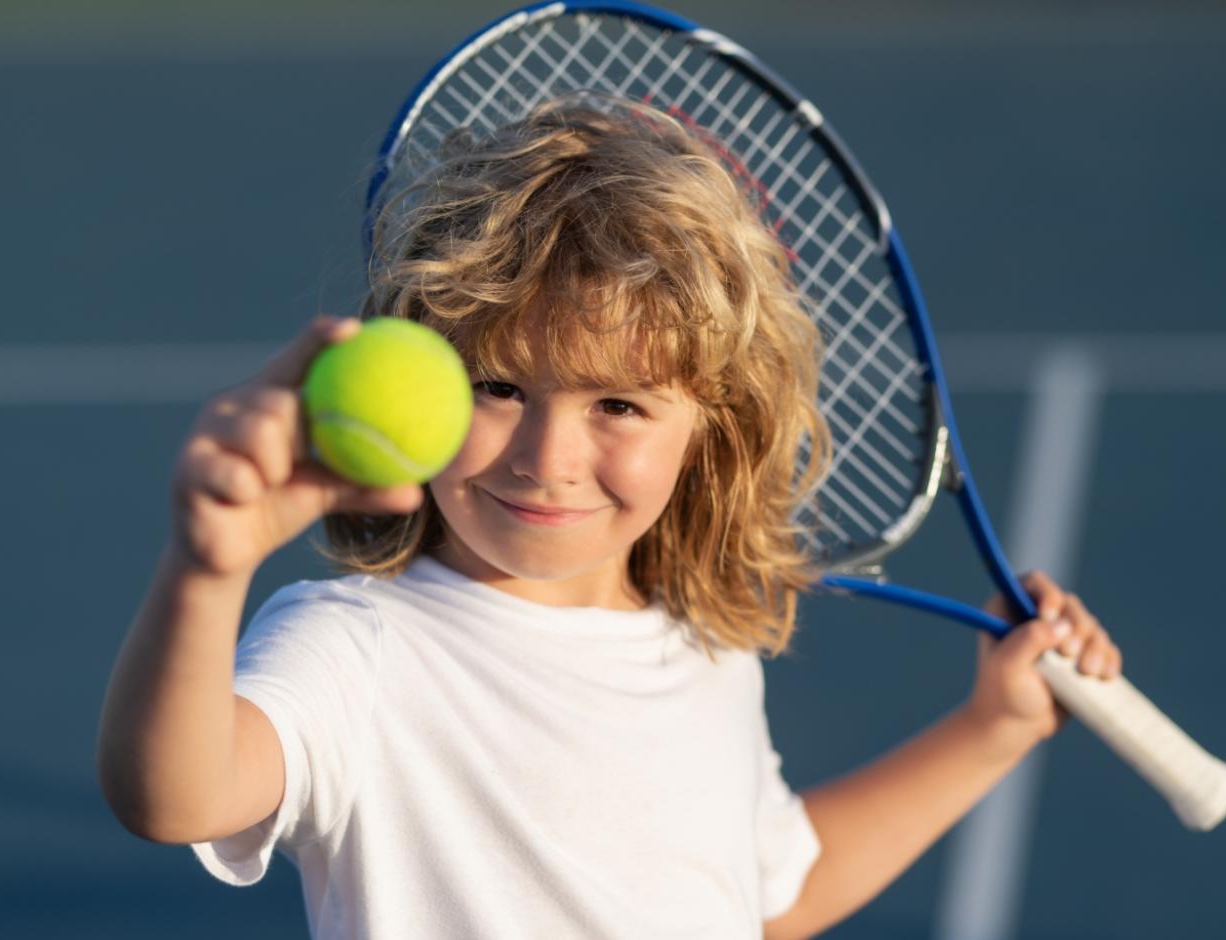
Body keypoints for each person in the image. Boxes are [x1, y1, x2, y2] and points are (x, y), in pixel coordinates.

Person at [96, 98, 1122, 940]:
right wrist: (206, 570)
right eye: (497, 386)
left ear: (709, 428)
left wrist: (995, 728)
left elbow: (773, 896)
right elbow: (177, 795)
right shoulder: (357, 648)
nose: (548, 458)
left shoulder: (705, 655)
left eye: (618, 405)